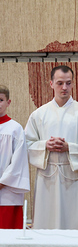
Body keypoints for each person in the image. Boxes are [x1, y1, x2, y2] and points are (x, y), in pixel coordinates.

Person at [25, 65, 78, 229]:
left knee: (70, 224)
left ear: (73, 84)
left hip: (70, 177)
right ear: (51, 83)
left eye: (68, 83)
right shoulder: (39, 114)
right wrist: (45, 145)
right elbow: (27, 144)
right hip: (46, 177)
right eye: (59, 83)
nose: (64, 87)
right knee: (45, 223)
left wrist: (69, 147)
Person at [0, 85, 30, 229]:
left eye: (0, 100)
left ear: (8, 102)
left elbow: (18, 162)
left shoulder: (15, 128)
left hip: (7, 193)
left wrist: (2, 182)